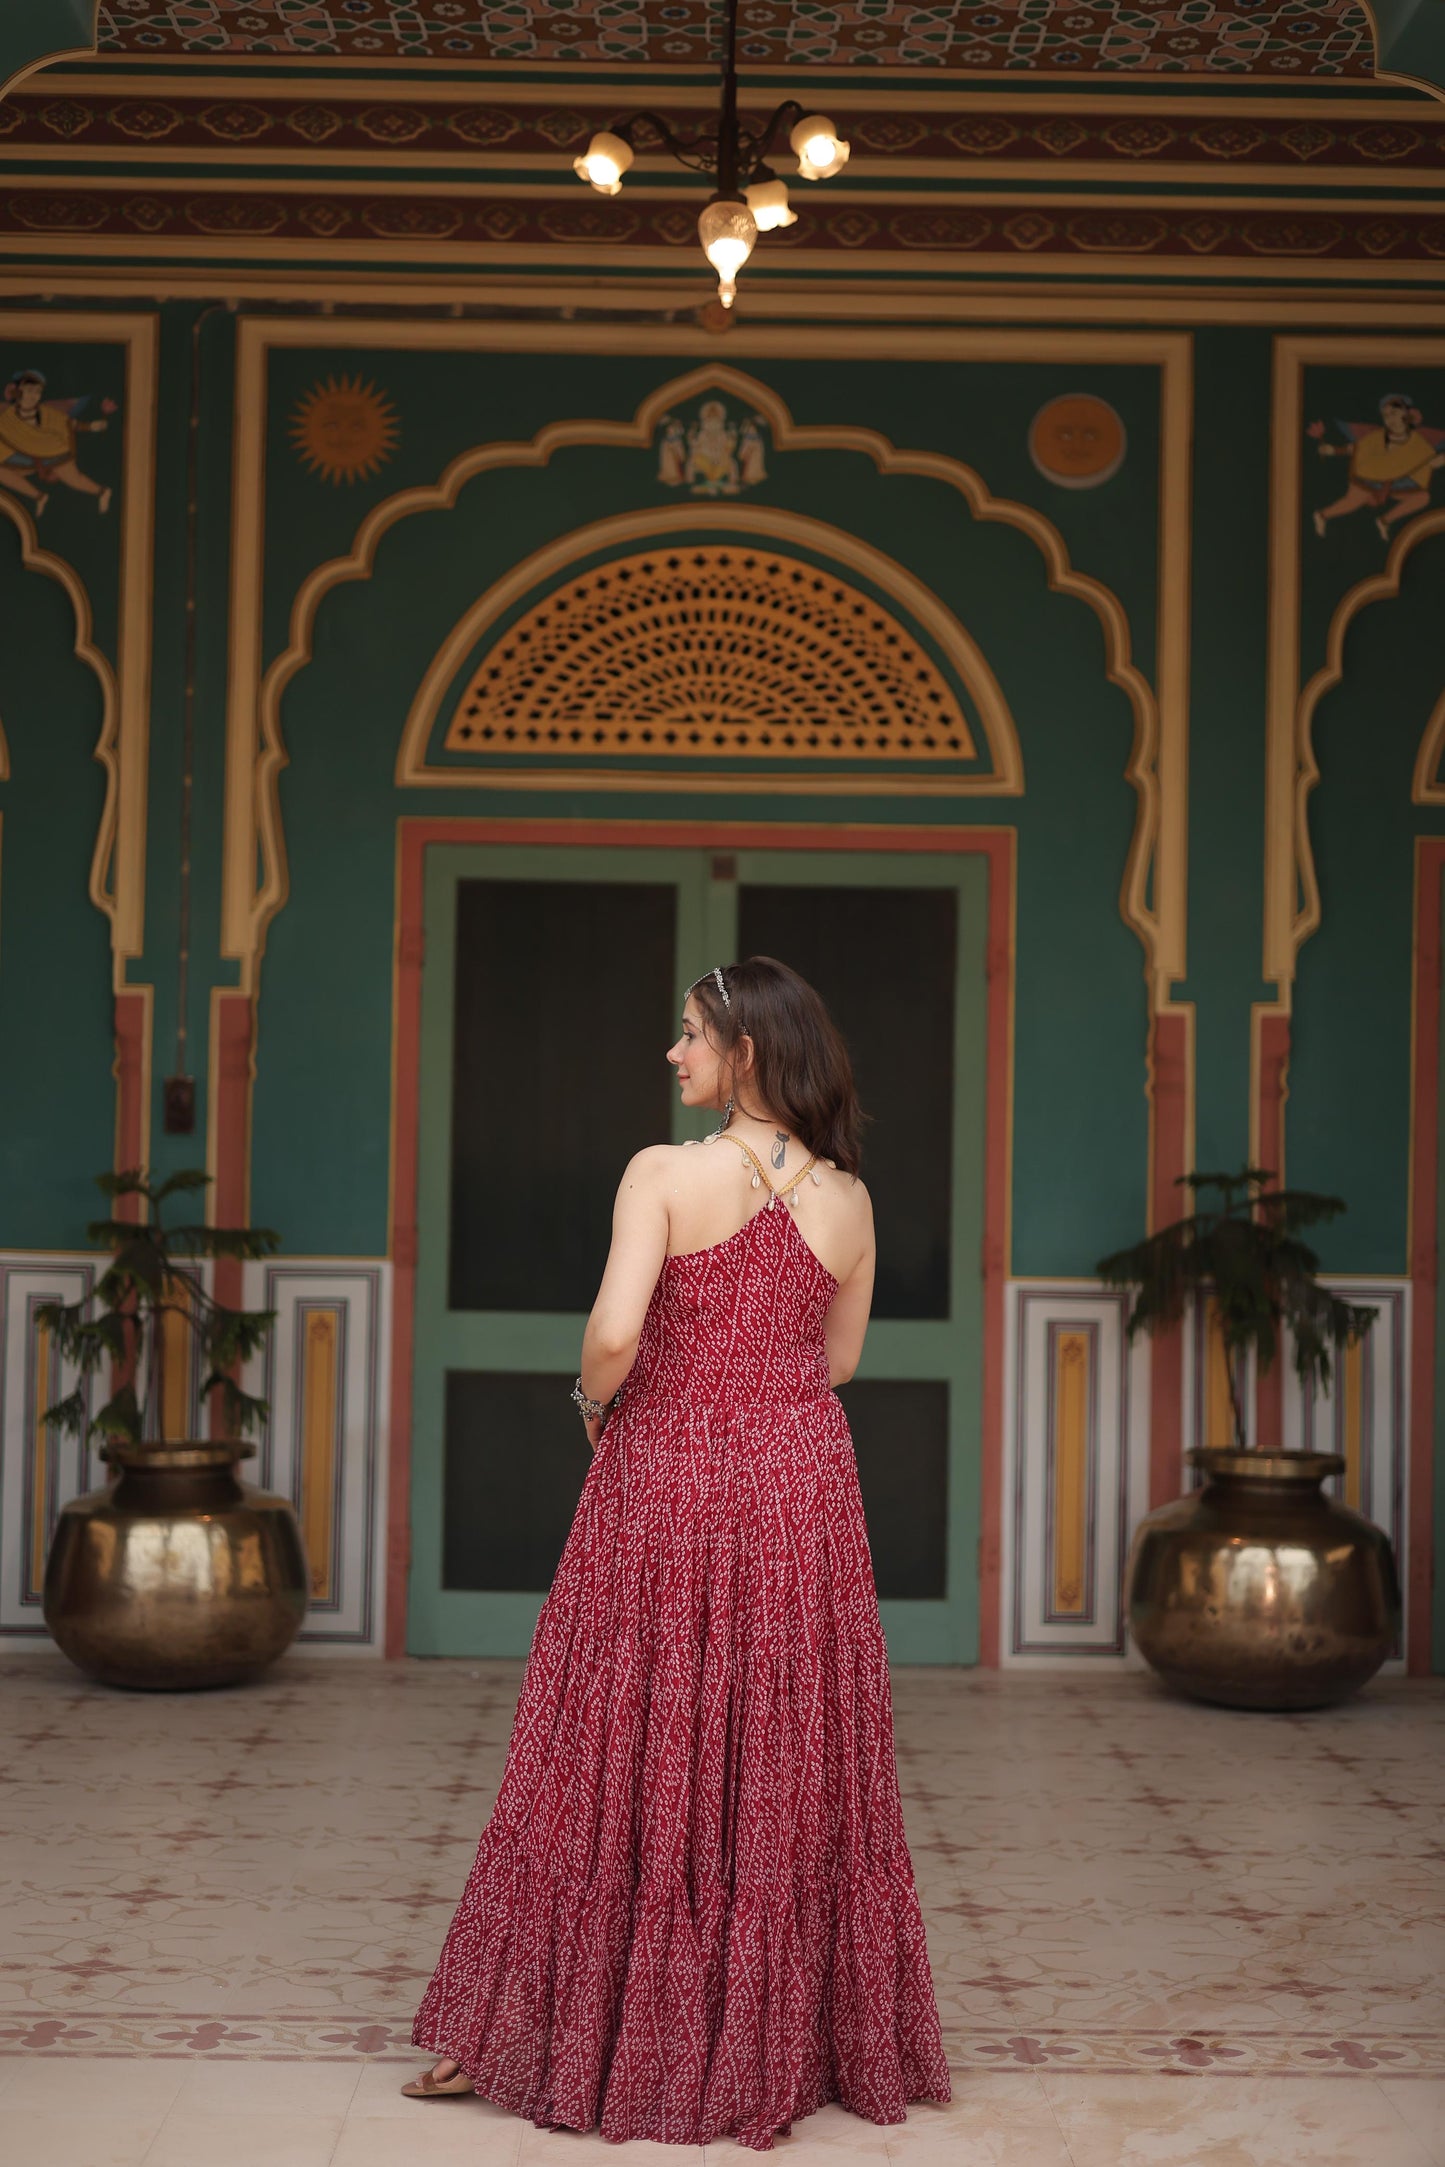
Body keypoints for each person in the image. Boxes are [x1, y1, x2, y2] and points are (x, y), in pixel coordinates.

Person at [404, 956, 951, 2149]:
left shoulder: (661, 1173)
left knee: (612, 1738)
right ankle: (782, 2042)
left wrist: (598, 1402)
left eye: (690, 1033)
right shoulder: (851, 1200)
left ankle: (539, 2029)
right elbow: (838, 1362)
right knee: (778, 1744)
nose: (673, 1051)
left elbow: (610, 1335)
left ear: (745, 1052)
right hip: (799, 1484)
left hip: (666, 1474)